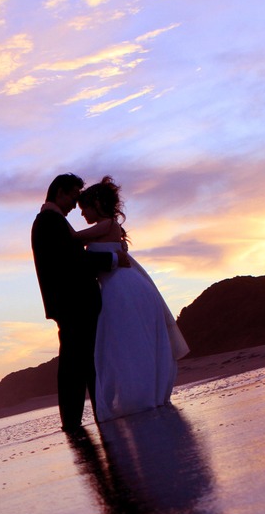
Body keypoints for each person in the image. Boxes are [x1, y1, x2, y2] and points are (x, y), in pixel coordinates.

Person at [73, 176, 190, 422]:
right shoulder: (106, 227)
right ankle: (137, 395)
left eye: (84, 207)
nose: (81, 212)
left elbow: (73, 239)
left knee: (125, 344)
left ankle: (141, 396)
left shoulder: (106, 225)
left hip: (123, 289)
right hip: (117, 288)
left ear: (97, 204)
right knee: (121, 345)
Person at [31, 173, 126, 431]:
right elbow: (72, 263)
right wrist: (114, 260)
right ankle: (74, 423)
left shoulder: (50, 222)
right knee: (76, 364)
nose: (75, 204)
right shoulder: (50, 222)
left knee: (84, 363)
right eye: (73, 196)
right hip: (73, 304)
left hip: (71, 304)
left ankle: (93, 415)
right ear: (60, 191)